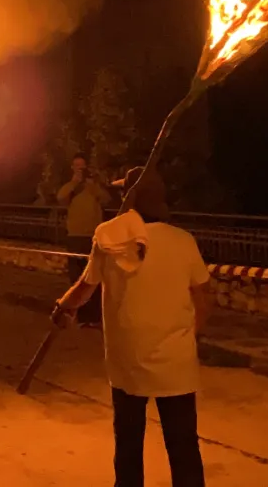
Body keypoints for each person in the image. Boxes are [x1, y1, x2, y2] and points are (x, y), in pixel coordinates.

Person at [53, 166, 212, 487]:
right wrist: (190, 336)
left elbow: (85, 287)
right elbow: (203, 298)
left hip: (127, 359)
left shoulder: (107, 236)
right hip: (176, 364)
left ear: (131, 197)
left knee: (128, 443)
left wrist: (63, 306)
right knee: (183, 446)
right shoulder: (183, 241)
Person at [56, 153, 111, 325]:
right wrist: (74, 182)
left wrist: (93, 186)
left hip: (93, 237)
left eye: (82, 166)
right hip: (75, 236)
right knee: (76, 278)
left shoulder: (93, 186)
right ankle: (80, 316)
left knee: (94, 279)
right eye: (77, 166)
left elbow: (107, 200)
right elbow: (60, 198)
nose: (80, 169)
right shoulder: (70, 187)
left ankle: (94, 317)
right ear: (73, 168)